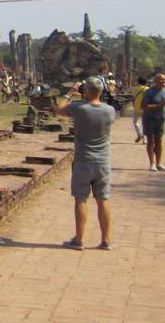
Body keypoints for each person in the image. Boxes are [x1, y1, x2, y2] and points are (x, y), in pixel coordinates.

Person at [55, 76, 116, 250]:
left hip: (83, 160)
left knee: (81, 199)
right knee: (103, 199)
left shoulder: (78, 108)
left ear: (85, 92)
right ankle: (106, 239)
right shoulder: (110, 110)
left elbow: (59, 110)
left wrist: (70, 94)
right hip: (103, 161)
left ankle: (79, 239)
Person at [142, 73, 165, 171]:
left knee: (159, 141)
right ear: (155, 81)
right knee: (150, 140)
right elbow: (143, 106)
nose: (163, 82)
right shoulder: (149, 92)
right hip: (149, 118)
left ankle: (159, 163)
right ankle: (151, 163)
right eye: (161, 80)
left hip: (160, 119)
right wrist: (157, 106)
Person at [130, 77, 149, 144]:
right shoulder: (147, 89)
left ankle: (139, 134)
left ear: (138, 82)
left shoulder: (134, 88)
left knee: (135, 122)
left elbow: (131, 91)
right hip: (145, 108)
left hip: (136, 107)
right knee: (145, 124)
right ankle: (145, 140)